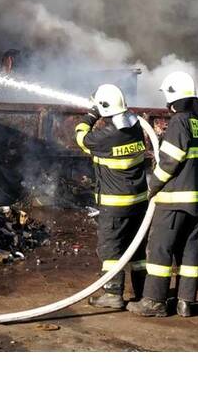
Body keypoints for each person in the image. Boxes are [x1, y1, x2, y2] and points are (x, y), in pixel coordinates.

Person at [127, 70, 198, 318]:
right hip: (197, 201)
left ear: (173, 99)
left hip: (173, 200)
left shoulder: (179, 122)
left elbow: (170, 161)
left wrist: (153, 186)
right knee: (188, 251)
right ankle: (186, 302)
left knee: (160, 249)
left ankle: (154, 301)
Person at [75, 84, 150, 309]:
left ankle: (113, 294)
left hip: (115, 203)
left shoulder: (106, 137)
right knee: (137, 249)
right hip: (138, 201)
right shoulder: (135, 128)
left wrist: (90, 115)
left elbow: (80, 138)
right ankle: (143, 293)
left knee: (110, 248)